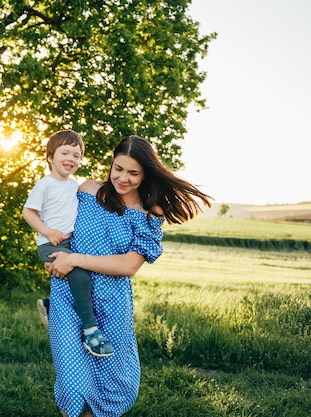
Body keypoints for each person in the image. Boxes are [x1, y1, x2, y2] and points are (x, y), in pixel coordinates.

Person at [45, 135, 212, 417]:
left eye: (133, 173)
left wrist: (75, 259)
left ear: (146, 173)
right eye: (118, 168)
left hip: (111, 303)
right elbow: (57, 222)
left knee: (110, 383)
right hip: (70, 295)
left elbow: (129, 266)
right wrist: (53, 255)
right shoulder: (87, 190)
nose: (122, 178)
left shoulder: (149, 213)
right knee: (73, 384)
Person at [23, 130, 114, 357]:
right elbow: (28, 212)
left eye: (77, 155)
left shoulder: (74, 185)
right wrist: (47, 231)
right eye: (65, 152)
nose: (71, 159)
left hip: (70, 242)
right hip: (50, 243)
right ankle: (91, 330)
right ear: (50, 157)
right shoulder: (45, 184)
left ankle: (52, 306)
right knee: (79, 274)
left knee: (85, 275)